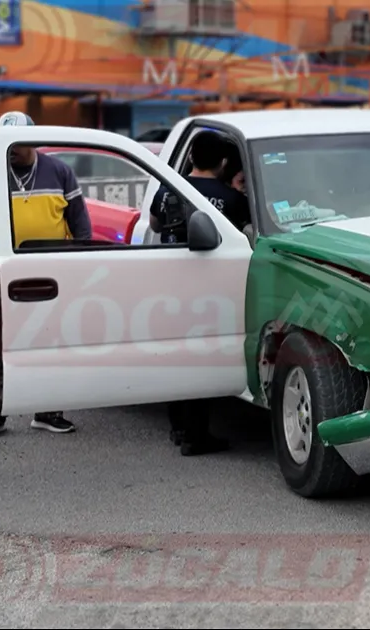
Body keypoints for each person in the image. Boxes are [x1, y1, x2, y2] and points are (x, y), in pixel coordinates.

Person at [0, 111, 92, 440]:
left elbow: (80, 224)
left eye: (17, 143)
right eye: (6, 144)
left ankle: (48, 411)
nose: (12, 150)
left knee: (49, 344)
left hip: (52, 279)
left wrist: (81, 269)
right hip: (0, 278)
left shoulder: (60, 172)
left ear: (34, 141)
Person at [150, 131, 251, 456]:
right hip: (208, 289)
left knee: (174, 358)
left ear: (191, 157)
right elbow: (246, 235)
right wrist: (237, 192)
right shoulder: (230, 199)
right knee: (200, 359)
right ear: (223, 162)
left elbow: (153, 224)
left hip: (167, 285)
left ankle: (179, 429)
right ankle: (196, 436)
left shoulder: (168, 189)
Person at [150, 130, 251, 244]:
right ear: (223, 162)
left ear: (190, 157)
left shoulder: (165, 192)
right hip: (220, 260)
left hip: (171, 259)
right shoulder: (234, 199)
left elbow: (155, 226)